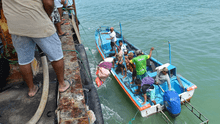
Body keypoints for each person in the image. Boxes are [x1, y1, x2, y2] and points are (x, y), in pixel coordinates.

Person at [2, 0, 71, 97]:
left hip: (16, 26)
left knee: (24, 59)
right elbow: (49, 3)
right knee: (56, 54)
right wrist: (47, 16)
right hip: (37, 20)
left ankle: (32, 89)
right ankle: (62, 84)